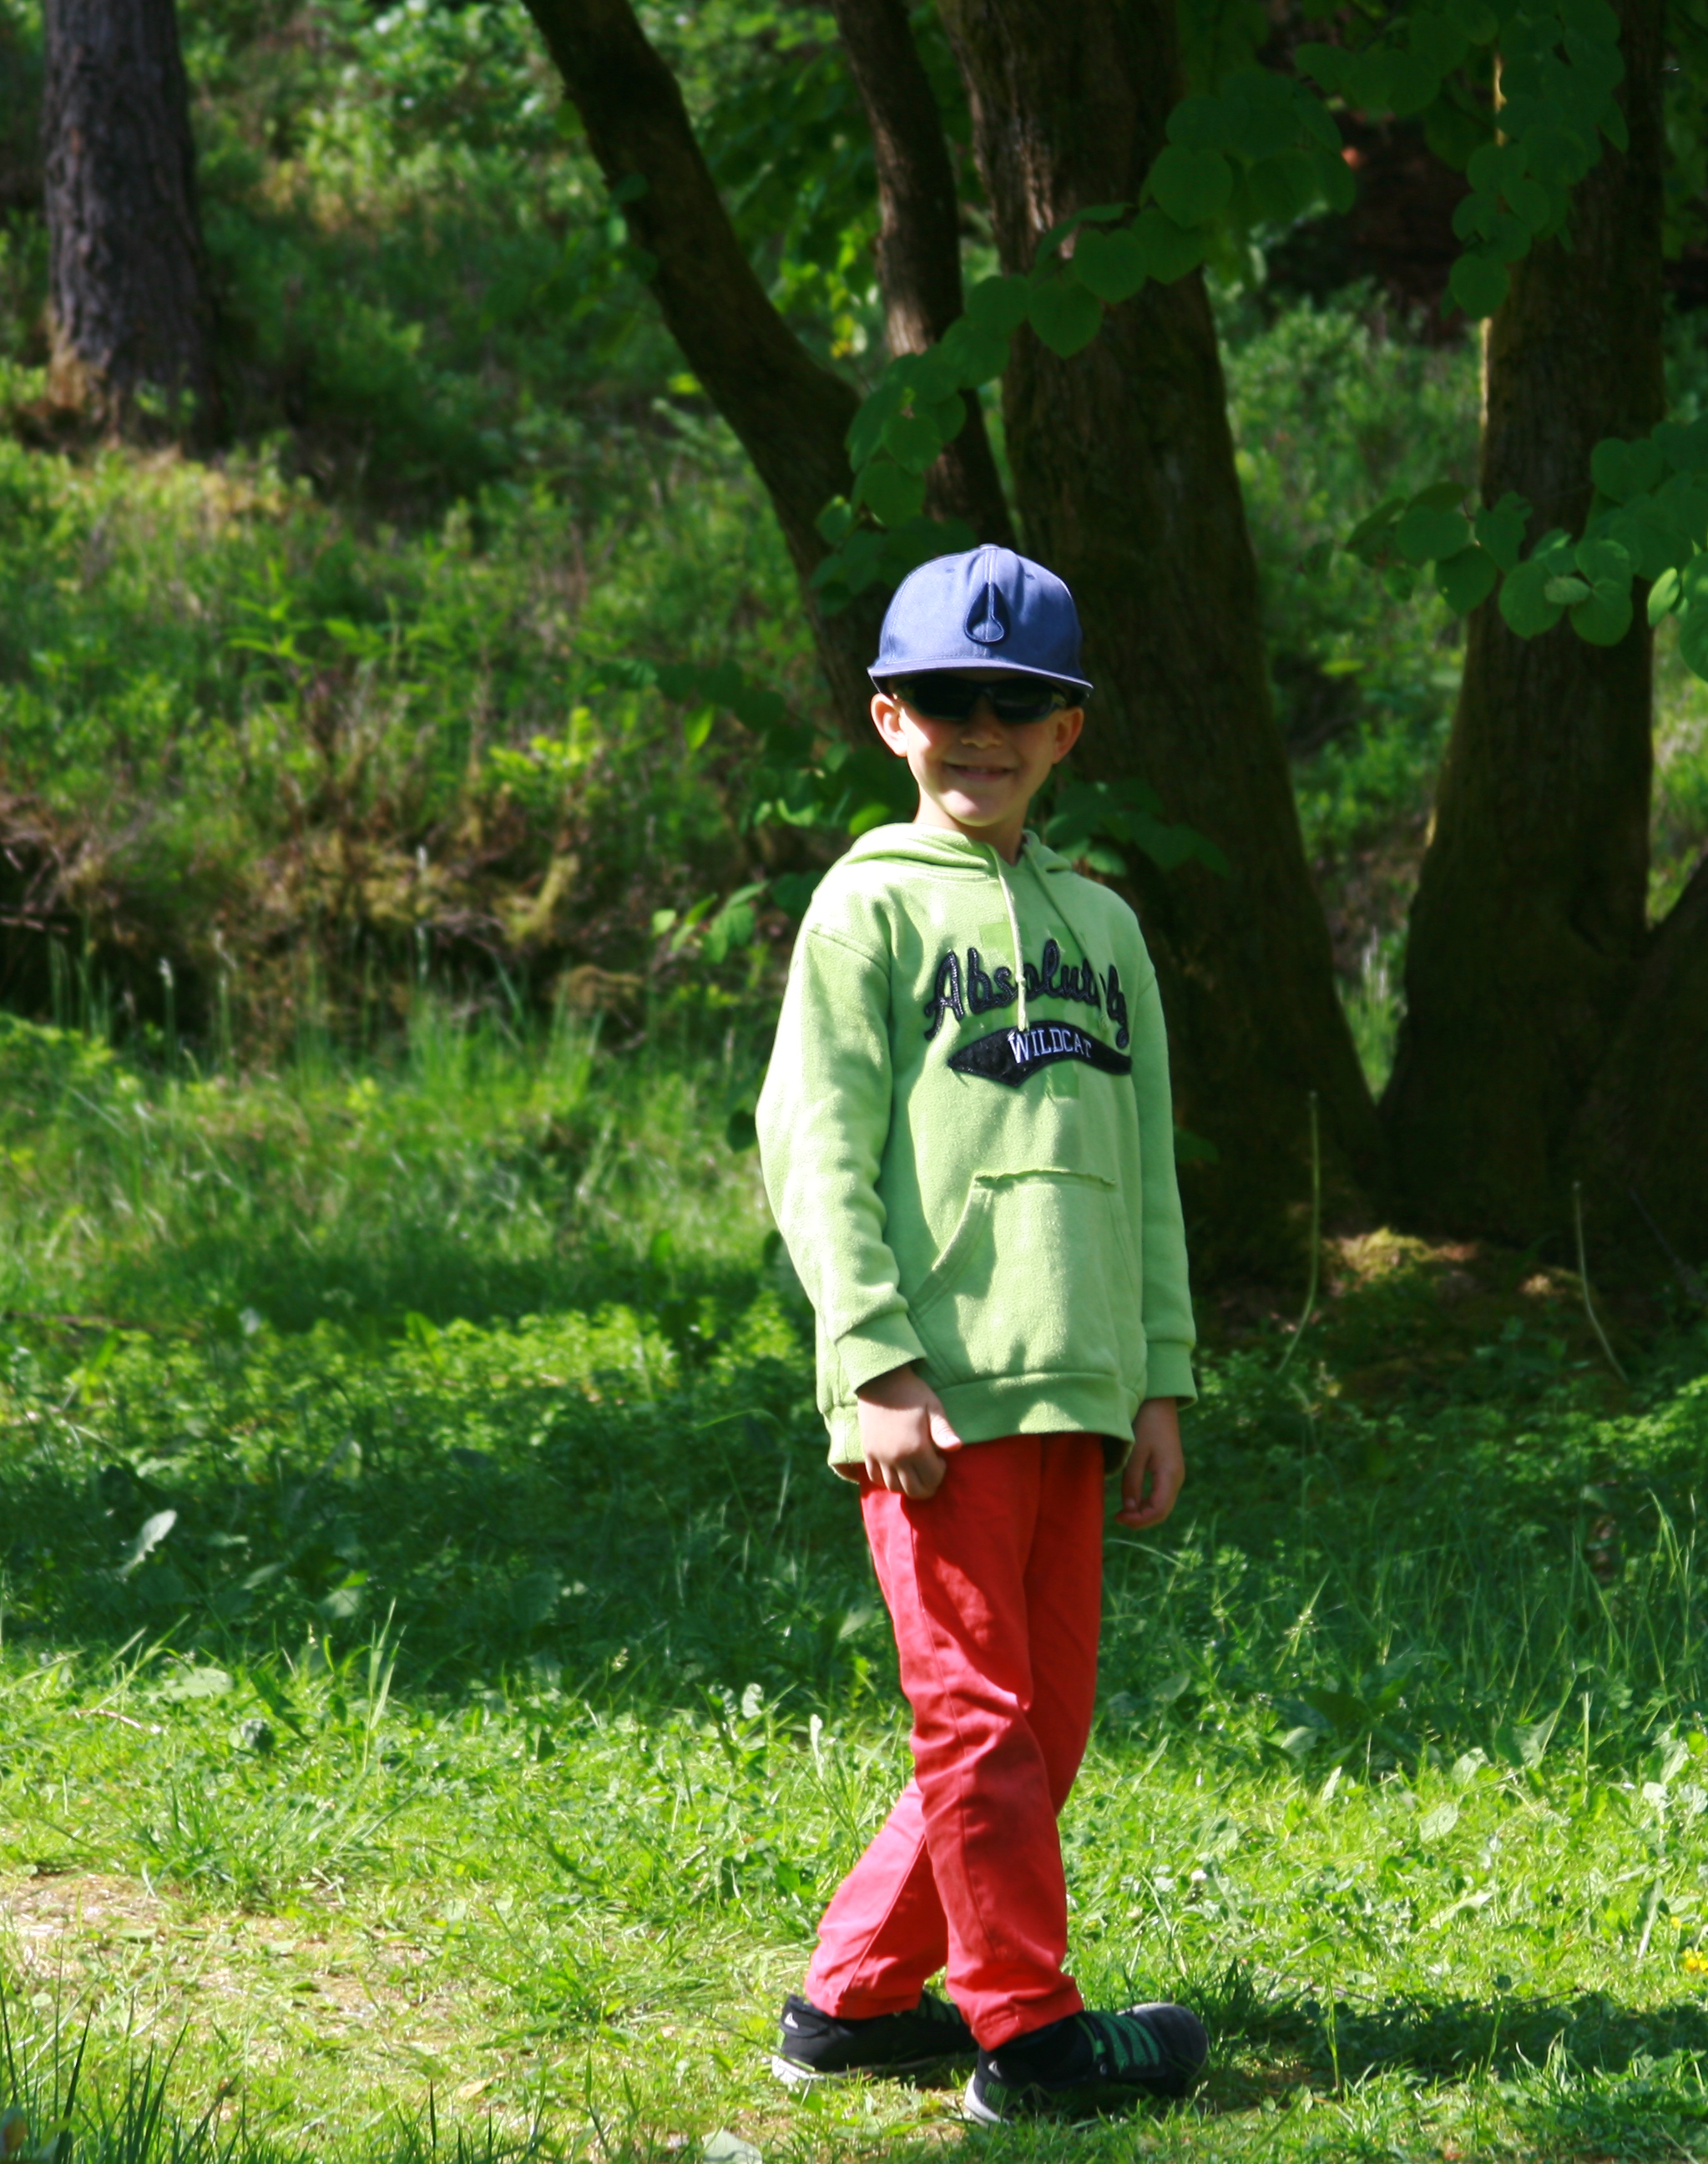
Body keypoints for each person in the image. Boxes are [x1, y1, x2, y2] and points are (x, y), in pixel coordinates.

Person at [754, 544, 1207, 2124]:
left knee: (1041, 1725)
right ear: (892, 717)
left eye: (1017, 704)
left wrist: (1159, 1377)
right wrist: (875, 1359)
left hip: (1079, 1386)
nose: (981, 730)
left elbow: (1146, 1175)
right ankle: (1028, 2037)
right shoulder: (864, 910)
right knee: (981, 1717)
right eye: (948, 699)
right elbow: (815, 1155)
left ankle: (855, 2003)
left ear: (1066, 729)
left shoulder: (1106, 929)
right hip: (936, 1401)